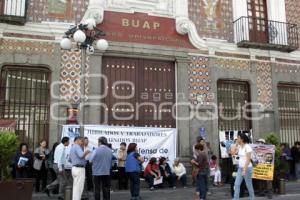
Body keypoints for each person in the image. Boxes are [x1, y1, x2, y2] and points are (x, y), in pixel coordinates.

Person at [230, 132, 255, 200]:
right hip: (240, 168)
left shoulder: (247, 147)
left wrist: (244, 169)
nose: (237, 139)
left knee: (248, 184)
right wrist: (235, 144)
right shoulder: (239, 146)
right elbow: (232, 153)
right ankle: (235, 198)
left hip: (247, 168)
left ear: (242, 139)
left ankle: (252, 198)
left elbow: (248, 160)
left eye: (238, 138)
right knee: (237, 184)